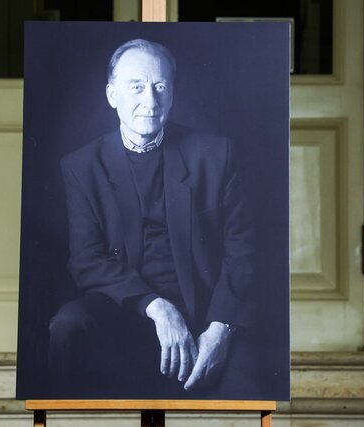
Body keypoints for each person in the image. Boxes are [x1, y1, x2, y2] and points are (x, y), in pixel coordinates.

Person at [48, 38, 265, 399]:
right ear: (112, 95)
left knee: (250, 390)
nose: (150, 101)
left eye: (160, 86)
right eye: (136, 87)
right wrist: (157, 307)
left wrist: (221, 329)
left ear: (172, 93)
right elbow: (87, 260)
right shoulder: (81, 166)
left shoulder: (215, 155)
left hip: (207, 315)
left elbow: (243, 252)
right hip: (125, 312)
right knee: (67, 327)